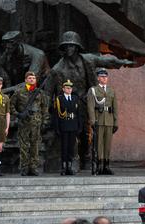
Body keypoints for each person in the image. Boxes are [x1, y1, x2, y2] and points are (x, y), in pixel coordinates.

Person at [44, 31, 133, 170]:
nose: (69, 49)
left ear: (77, 47)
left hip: (88, 102)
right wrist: (47, 110)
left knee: (87, 133)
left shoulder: (88, 60)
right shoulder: (57, 69)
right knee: (73, 133)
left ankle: (87, 158)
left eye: (72, 46)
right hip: (69, 105)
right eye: (66, 47)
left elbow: (106, 61)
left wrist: (123, 62)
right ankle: (74, 160)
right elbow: (48, 91)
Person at [10, 71, 49, 176]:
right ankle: (24, 167)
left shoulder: (39, 93)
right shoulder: (19, 92)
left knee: (35, 146)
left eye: (33, 78)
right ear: (26, 80)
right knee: (24, 146)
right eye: (30, 78)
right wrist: (18, 114)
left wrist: (44, 121)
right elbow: (11, 105)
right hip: (24, 123)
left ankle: (33, 167)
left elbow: (44, 107)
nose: (32, 80)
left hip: (36, 123)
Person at [87, 68, 118, 175]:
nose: (104, 78)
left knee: (107, 144)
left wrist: (116, 122)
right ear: (98, 78)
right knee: (99, 144)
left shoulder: (111, 90)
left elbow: (115, 108)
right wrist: (92, 121)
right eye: (102, 77)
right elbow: (90, 106)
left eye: (105, 77)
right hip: (98, 120)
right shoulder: (93, 90)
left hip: (109, 120)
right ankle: (99, 165)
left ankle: (106, 165)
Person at [54, 80, 81, 175]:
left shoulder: (75, 98)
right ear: (63, 89)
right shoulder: (59, 99)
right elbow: (57, 115)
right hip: (64, 125)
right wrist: (57, 127)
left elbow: (78, 114)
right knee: (64, 147)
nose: (69, 89)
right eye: (67, 88)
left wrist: (79, 126)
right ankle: (64, 167)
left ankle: (69, 166)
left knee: (71, 147)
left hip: (73, 125)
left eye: (70, 88)